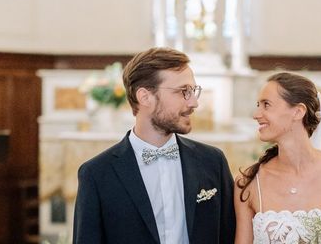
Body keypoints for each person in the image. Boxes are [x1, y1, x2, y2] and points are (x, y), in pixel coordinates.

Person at [72, 47, 236, 244]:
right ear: (145, 97)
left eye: (193, 91)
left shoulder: (212, 162)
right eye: (183, 91)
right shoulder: (97, 174)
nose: (194, 103)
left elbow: (229, 235)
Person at [234, 72, 321, 244]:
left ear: (298, 111)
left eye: (266, 105)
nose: (256, 114)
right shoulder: (248, 182)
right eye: (258, 105)